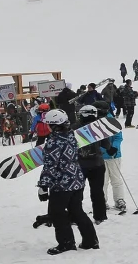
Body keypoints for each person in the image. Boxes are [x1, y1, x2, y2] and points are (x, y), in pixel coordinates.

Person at [36, 109, 99, 255]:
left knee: (57, 213)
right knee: (77, 211)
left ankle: (66, 244)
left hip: (61, 184)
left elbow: (50, 165)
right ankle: (91, 241)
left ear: (53, 125)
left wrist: (43, 186)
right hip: (76, 180)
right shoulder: (72, 135)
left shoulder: (53, 141)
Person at [75, 105, 110, 223]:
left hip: (80, 165)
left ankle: (75, 216)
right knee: (97, 191)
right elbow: (107, 145)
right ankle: (100, 216)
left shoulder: (75, 127)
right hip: (97, 164)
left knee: (77, 192)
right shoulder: (98, 127)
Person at [101, 124, 126, 214]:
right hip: (100, 156)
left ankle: (119, 199)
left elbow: (118, 137)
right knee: (103, 180)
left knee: (116, 178)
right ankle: (102, 201)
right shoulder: (94, 122)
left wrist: (114, 147)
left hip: (114, 155)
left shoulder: (111, 121)